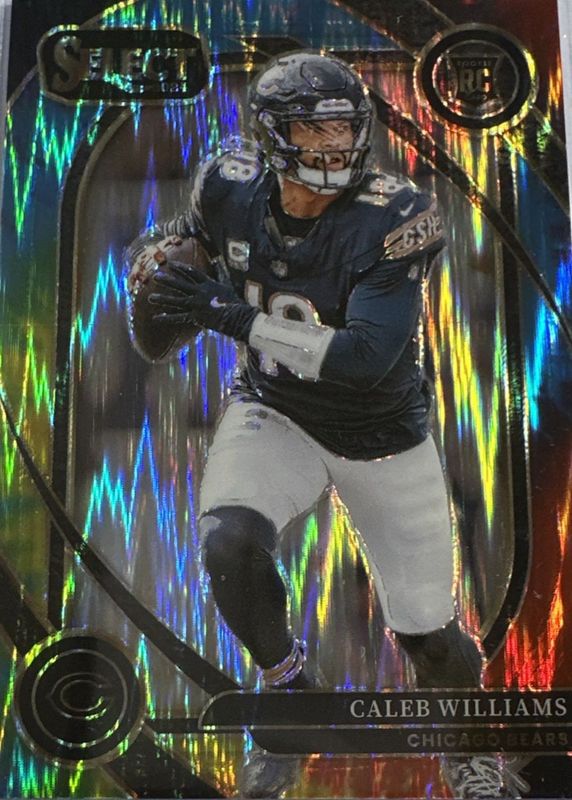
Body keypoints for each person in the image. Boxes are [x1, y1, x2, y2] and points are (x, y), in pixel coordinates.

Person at [127, 51, 527, 799]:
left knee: (426, 631)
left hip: (380, 434)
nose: (332, 146)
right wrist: (158, 268)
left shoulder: (395, 214)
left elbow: (366, 359)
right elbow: (191, 242)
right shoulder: (227, 184)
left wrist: (233, 316)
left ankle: (468, 748)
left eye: (342, 129)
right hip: (274, 409)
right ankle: (291, 697)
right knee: (227, 542)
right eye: (313, 130)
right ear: (274, 135)